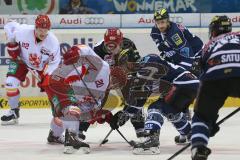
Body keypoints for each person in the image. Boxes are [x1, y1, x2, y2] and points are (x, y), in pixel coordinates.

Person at [42, 44, 127, 153]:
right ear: (113, 73)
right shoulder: (104, 67)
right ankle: (71, 141)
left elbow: (87, 107)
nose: (114, 85)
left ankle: (54, 135)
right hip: (58, 79)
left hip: (55, 83)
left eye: (117, 85)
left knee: (64, 114)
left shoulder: (103, 91)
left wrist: (103, 116)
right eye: (116, 81)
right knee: (72, 109)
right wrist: (75, 51)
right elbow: (86, 50)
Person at [78, 28, 148, 141]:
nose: (110, 49)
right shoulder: (97, 50)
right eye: (108, 46)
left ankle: (140, 128)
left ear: (120, 42)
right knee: (94, 100)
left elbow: (136, 66)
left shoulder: (129, 45)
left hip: (123, 76)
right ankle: (80, 128)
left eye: (113, 46)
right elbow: (92, 73)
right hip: (105, 77)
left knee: (133, 95)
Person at [190, 15, 238, 160]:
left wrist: (209, 121)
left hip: (214, 76)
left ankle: (198, 146)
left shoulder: (209, 44)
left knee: (201, 117)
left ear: (213, 30)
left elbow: (200, 70)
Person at [132, 54, 199, 154]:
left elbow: (146, 87)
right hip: (192, 85)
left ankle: (152, 140)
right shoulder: (162, 67)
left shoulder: (151, 62)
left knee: (156, 107)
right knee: (171, 111)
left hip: (181, 84)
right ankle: (190, 133)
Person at [1, 15, 61, 125]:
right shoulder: (23, 31)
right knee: (10, 84)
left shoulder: (53, 42)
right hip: (22, 61)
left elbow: (55, 63)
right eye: (40, 29)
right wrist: (11, 41)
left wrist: (48, 76)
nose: (43, 33)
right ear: (35, 27)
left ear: (49, 29)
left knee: (52, 88)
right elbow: (10, 24)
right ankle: (14, 111)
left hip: (42, 66)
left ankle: (58, 115)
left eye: (45, 30)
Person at [151, 8, 203, 74]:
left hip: (197, 51)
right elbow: (158, 42)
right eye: (158, 23)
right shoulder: (155, 30)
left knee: (184, 73)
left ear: (167, 21)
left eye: (162, 22)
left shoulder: (175, 35)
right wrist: (164, 52)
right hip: (181, 49)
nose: (160, 26)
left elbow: (187, 57)